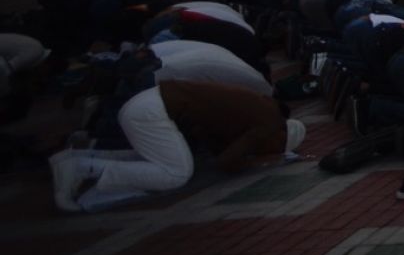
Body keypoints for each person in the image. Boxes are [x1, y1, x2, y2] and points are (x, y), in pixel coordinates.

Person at [49, 79, 303, 212]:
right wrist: (254, 161)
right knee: (176, 174)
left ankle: (78, 159)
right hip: (152, 112)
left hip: (148, 103)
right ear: (280, 136)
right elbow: (227, 162)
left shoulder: (262, 109)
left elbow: (214, 140)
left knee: (156, 160)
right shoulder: (268, 124)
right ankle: (81, 167)